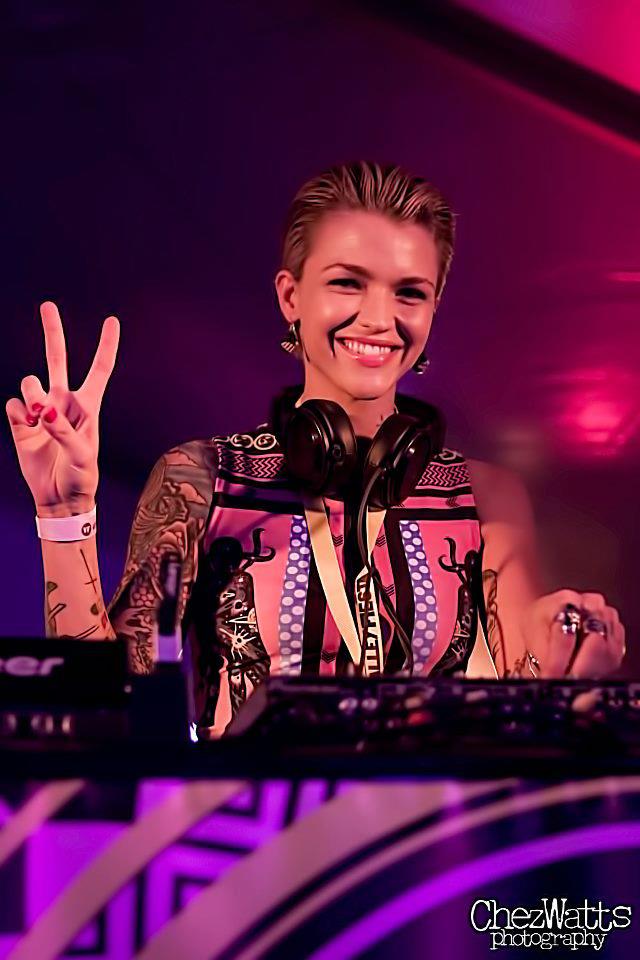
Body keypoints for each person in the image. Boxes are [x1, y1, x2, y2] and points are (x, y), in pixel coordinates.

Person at [6, 160, 625, 739]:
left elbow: (527, 689)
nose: (379, 317)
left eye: (410, 293)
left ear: (434, 307)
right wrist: (64, 514)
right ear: (290, 296)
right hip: (244, 819)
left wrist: (569, 651)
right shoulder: (203, 477)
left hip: (424, 814)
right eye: (348, 283)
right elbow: (107, 717)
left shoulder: (484, 497)